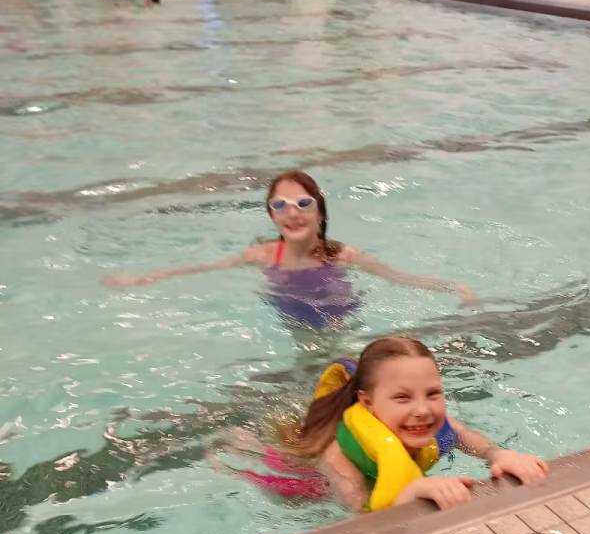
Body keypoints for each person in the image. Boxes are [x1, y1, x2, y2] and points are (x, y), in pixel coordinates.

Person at [101, 170, 478, 329]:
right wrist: (142, 278)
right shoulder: (262, 255)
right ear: (271, 215)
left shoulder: (340, 255)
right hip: (288, 315)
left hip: (337, 318)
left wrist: (450, 287)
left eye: (303, 204)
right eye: (280, 206)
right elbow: (200, 268)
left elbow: (398, 278)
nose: (292, 213)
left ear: (319, 211)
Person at [261, 336, 548, 511]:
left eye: (433, 394)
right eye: (402, 397)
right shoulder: (339, 456)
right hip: (302, 481)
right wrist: (410, 493)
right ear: (367, 403)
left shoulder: (438, 426)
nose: (423, 410)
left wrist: (501, 455)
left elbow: (476, 442)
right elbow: (362, 518)